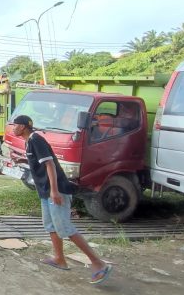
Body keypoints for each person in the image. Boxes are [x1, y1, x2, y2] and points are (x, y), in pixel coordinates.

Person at [12, 115, 113, 284]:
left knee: (64, 227)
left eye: (15, 125)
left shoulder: (36, 140)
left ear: (22, 127)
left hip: (56, 191)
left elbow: (50, 164)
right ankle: (59, 259)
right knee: (50, 225)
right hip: (45, 192)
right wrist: (24, 159)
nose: (13, 127)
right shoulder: (30, 141)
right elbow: (40, 162)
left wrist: (55, 191)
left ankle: (99, 264)